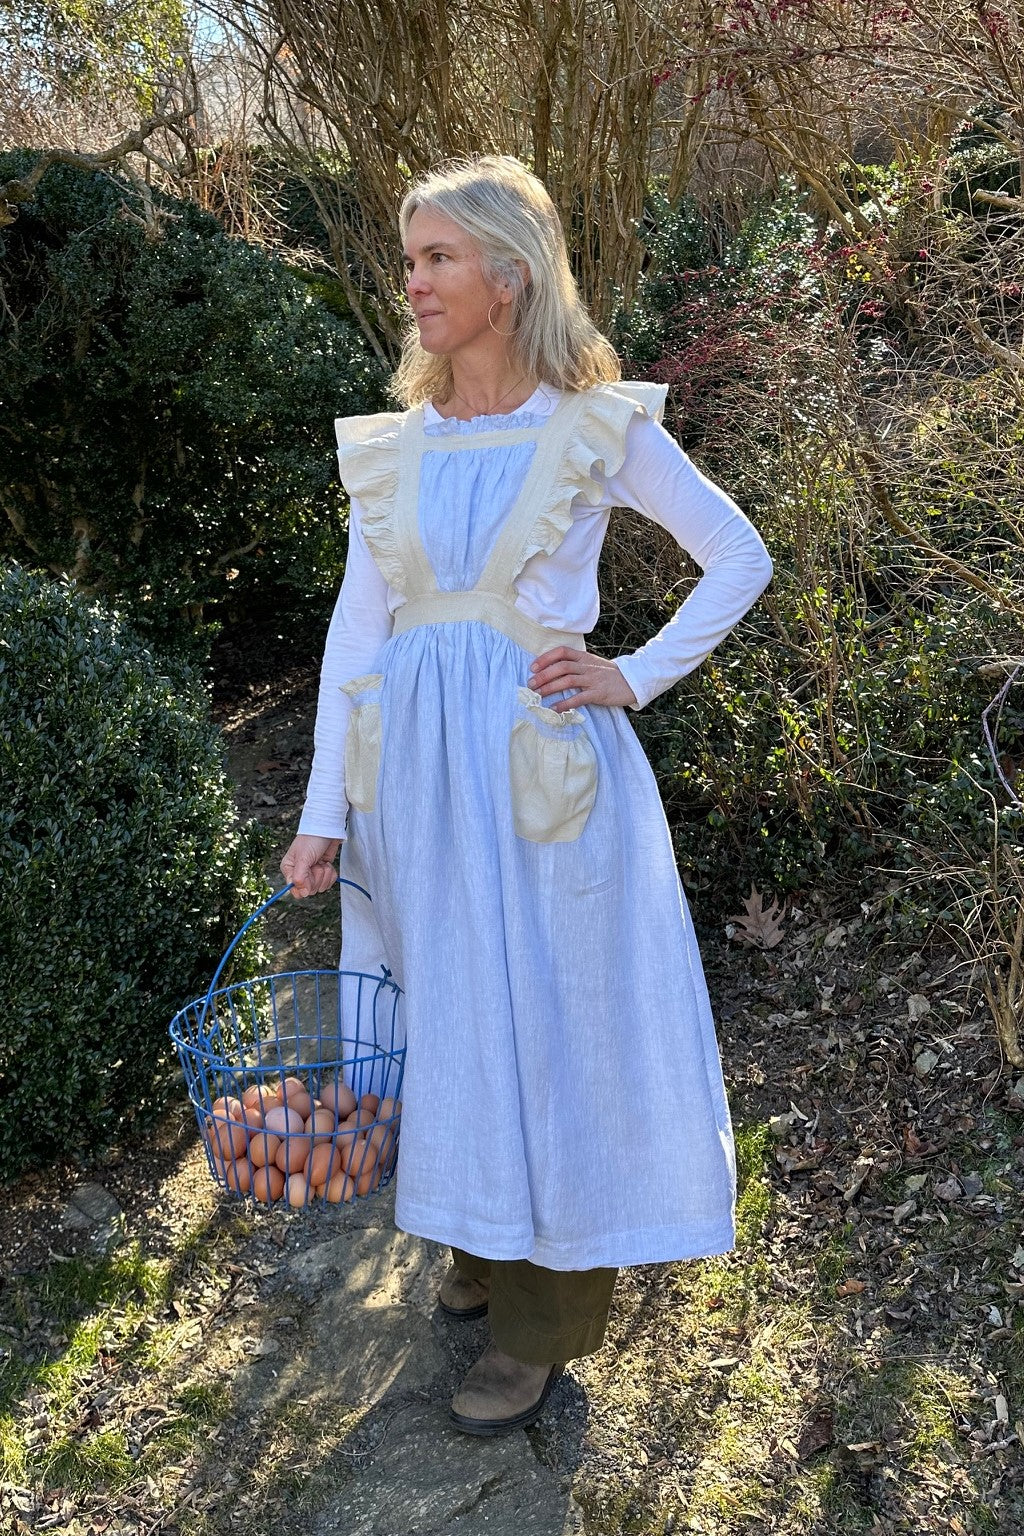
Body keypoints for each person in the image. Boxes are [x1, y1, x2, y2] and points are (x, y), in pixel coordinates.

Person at [281, 155, 773, 1438]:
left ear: (509, 274)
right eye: (411, 260)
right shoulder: (396, 451)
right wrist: (324, 811)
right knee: (445, 1009)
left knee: (548, 1021)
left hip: (542, 783)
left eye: (437, 258)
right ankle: (484, 1237)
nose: (414, 282)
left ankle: (543, 1324)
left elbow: (738, 554)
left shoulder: (594, 425)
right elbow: (355, 635)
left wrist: (633, 673)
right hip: (417, 792)